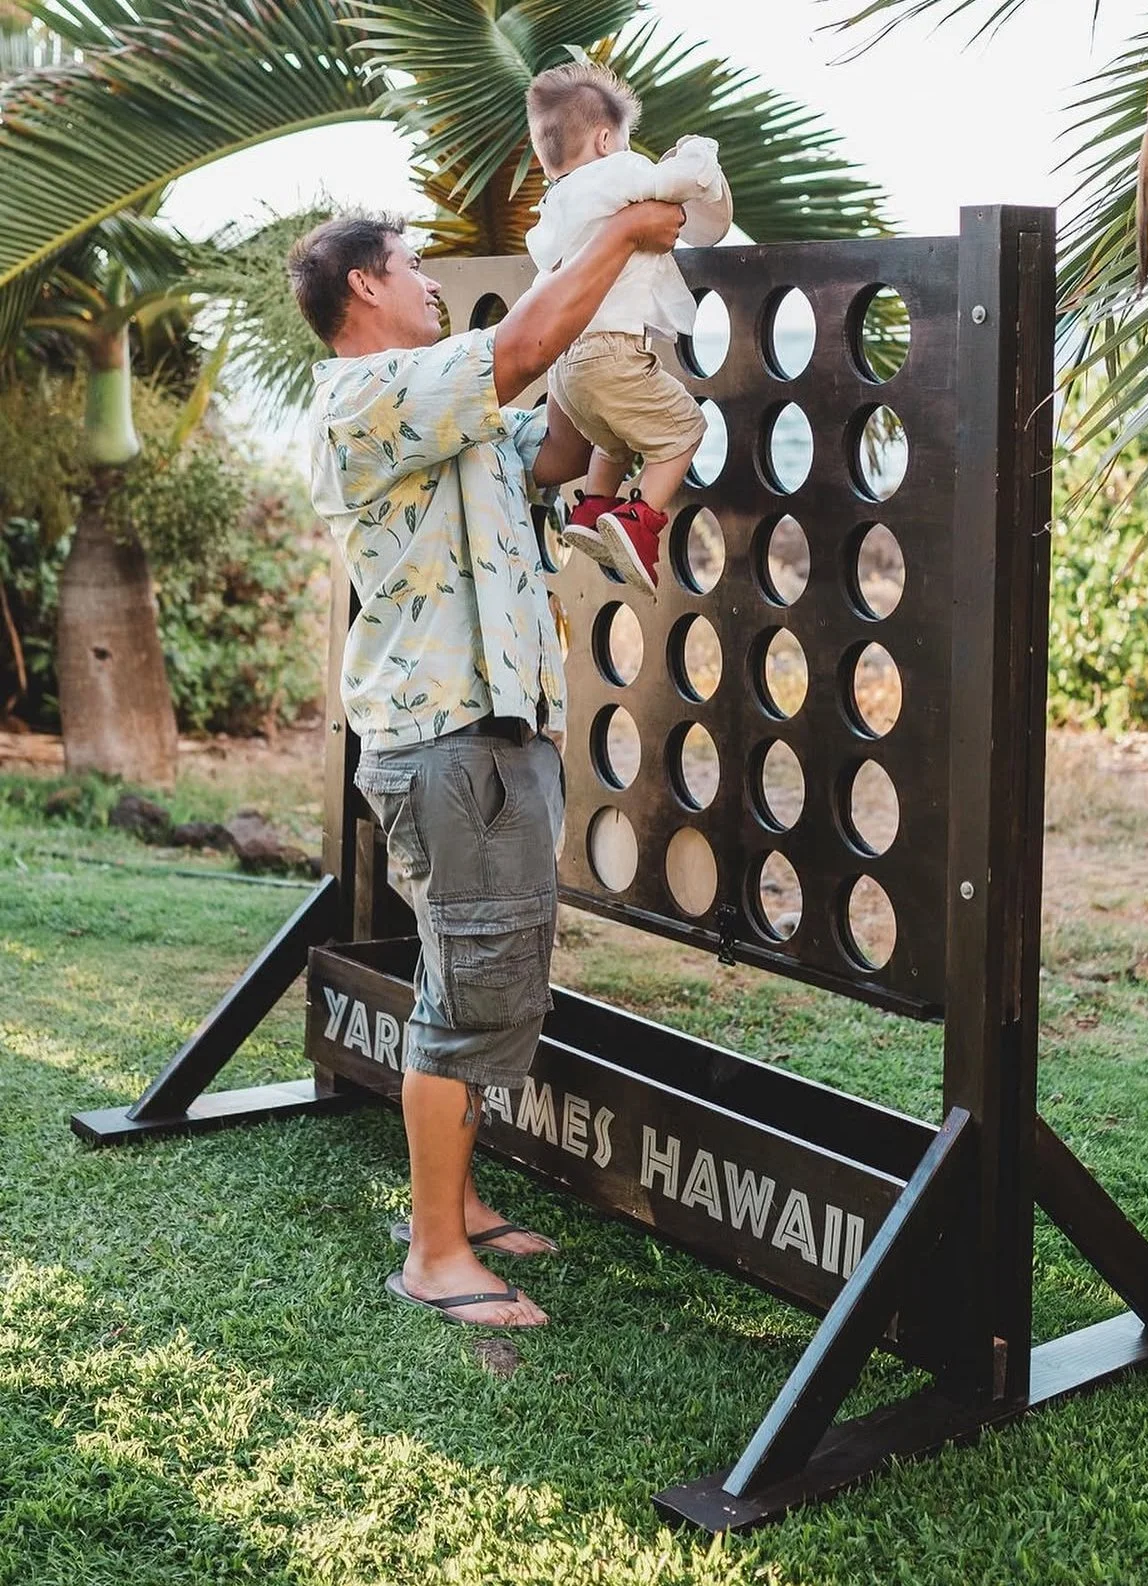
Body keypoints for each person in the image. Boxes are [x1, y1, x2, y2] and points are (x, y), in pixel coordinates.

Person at [288, 201, 684, 1329]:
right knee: (471, 999)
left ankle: (459, 1203)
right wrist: (618, 230)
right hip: (451, 744)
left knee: (472, 981)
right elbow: (516, 352)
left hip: (488, 742)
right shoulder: (364, 396)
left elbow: (553, 443)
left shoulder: (451, 419)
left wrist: (612, 339)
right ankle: (436, 1254)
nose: (427, 283)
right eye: (410, 267)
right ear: (363, 286)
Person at [524, 61, 733, 599]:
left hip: (567, 371)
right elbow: (675, 183)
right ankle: (640, 522)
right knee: (685, 428)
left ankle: (595, 509)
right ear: (603, 139)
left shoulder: (554, 205)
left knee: (612, 439)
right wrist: (698, 156)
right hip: (611, 353)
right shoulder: (616, 172)